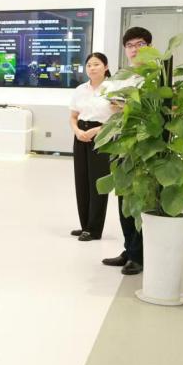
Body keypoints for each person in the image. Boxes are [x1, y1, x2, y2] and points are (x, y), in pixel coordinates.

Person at [101, 27, 152, 276]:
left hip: (144, 146)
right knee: (123, 199)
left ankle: (139, 255)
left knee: (140, 200)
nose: (134, 49)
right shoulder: (120, 77)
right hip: (121, 143)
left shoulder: (156, 75)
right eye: (130, 45)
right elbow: (111, 106)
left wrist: (129, 108)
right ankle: (129, 249)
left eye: (140, 44)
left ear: (149, 46)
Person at [69, 52, 113, 242]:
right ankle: (85, 225)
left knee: (98, 182)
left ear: (106, 67)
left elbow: (118, 119)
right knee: (82, 181)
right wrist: (77, 131)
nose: (92, 68)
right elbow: (73, 116)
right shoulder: (80, 89)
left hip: (102, 135)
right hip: (81, 135)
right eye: (89, 65)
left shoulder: (113, 88)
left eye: (96, 64)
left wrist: (96, 131)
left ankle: (94, 229)